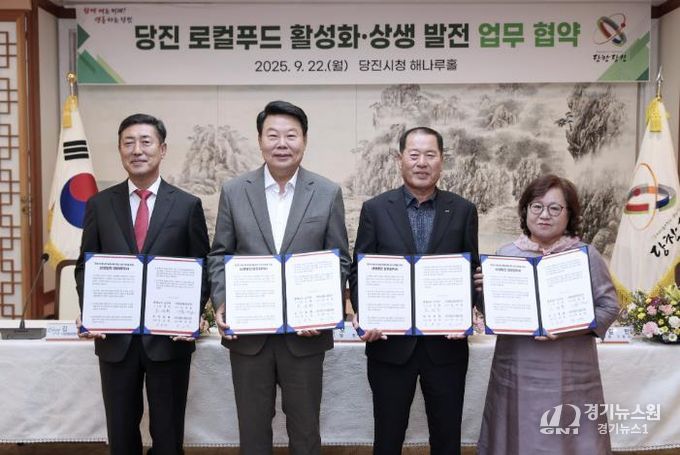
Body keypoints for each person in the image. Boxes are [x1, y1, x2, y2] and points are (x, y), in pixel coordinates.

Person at [208, 100, 350, 454]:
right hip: (249, 335)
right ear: (260, 140)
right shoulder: (235, 191)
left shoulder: (327, 192)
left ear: (305, 140)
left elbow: (339, 260)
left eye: (291, 135)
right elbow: (219, 254)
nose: (282, 143)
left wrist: (324, 310)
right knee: (253, 432)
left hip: (305, 337)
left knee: (305, 432)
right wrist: (222, 301)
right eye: (273, 135)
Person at [75, 113, 210, 455]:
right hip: (115, 339)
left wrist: (190, 315)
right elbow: (86, 266)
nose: (137, 150)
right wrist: (90, 309)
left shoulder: (187, 205)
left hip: (169, 339)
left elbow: (201, 267)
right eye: (129, 143)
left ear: (162, 149)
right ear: (120, 150)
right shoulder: (99, 204)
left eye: (146, 142)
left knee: (168, 437)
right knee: (121, 436)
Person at [348, 126, 479, 455]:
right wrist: (366, 314)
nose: (422, 162)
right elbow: (360, 269)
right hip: (389, 346)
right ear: (400, 159)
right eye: (414, 154)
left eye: (430, 155)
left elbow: (471, 271)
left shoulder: (463, 210)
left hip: (446, 347)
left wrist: (468, 312)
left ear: (442, 160)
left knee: (447, 440)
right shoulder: (376, 209)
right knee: (388, 438)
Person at [475, 174, 620, 455]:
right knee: (518, 435)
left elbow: (609, 307)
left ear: (569, 214)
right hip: (517, 368)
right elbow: (495, 314)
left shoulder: (585, 255)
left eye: (555, 208)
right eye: (537, 206)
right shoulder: (506, 254)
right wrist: (482, 292)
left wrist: (569, 328)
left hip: (570, 371)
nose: (544, 215)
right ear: (525, 210)